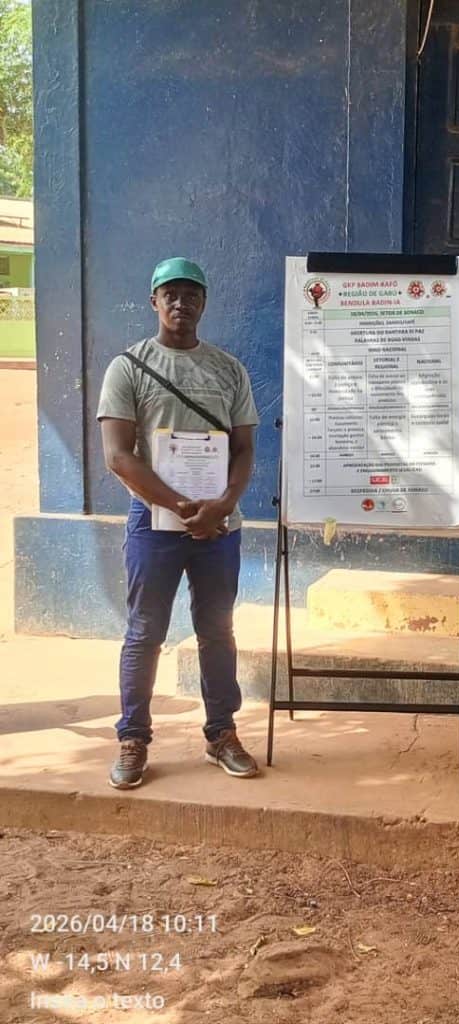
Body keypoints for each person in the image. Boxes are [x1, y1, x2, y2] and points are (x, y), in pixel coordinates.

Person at [98, 257, 260, 789]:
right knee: (145, 632)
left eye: (191, 295)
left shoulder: (229, 369)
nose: (180, 304)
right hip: (154, 524)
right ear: (154, 301)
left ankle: (222, 734)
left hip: (219, 528)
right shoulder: (128, 367)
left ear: (204, 303)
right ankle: (133, 739)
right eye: (170, 294)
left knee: (217, 631)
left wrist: (223, 504)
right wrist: (180, 506)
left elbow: (244, 448)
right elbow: (118, 455)